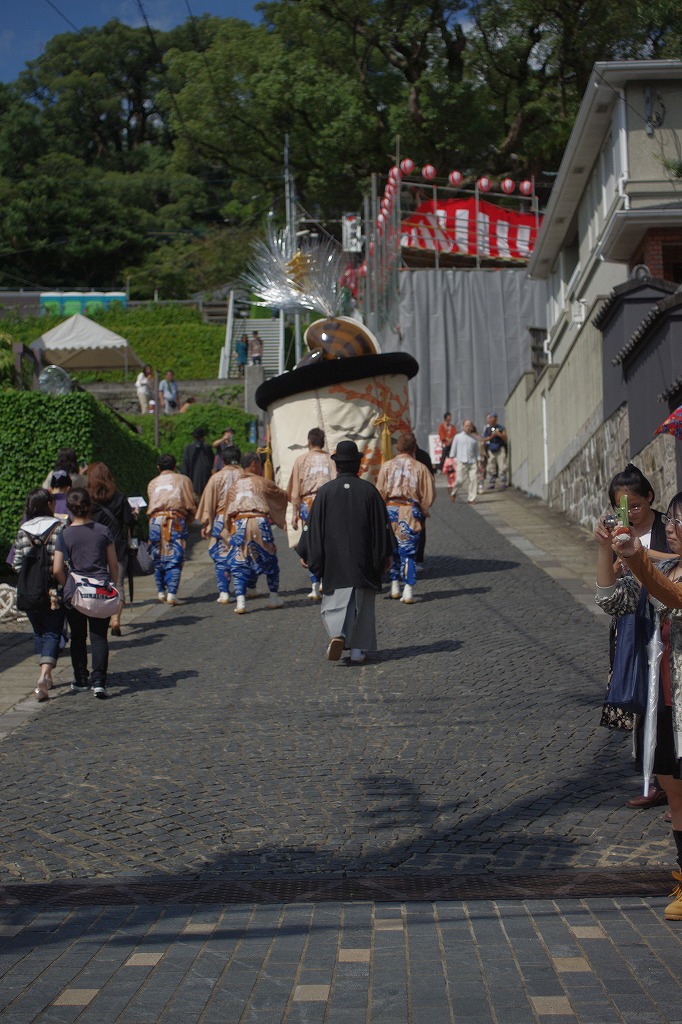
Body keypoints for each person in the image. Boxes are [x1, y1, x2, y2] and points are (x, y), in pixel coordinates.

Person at [595, 492, 682, 920]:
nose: (672, 525)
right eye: (674, 518)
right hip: (663, 696)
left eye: (680, 520)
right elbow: (612, 600)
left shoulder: (662, 571)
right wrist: (604, 549)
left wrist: (636, 558)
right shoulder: (661, 563)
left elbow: (674, 595)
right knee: (673, 788)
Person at [301, 439, 395, 664]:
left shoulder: (325, 492)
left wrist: (308, 552)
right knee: (361, 603)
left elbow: (313, 526)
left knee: (335, 599)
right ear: (358, 465)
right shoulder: (369, 491)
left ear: (337, 466)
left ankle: (337, 633)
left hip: (334, 557)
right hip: (364, 556)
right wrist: (386, 553)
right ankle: (357, 650)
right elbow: (382, 526)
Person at [53, 488, 119, 700]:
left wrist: (68, 585)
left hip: (75, 592)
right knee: (99, 636)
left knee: (78, 637)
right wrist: (114, 584)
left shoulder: (64, 534)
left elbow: (56, 568)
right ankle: (99, 681)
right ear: (90, 505)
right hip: (100, 589)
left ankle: (81, 679)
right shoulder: (102, 530)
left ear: (70, 509)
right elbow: (113, 564)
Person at [12, 488, 66, 701]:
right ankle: (44, 676)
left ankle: (47, 675)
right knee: (53, 632)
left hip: (30, 591)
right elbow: (66, 559)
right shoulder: (60, 527)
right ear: (49, 504)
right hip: (54, 589)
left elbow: (16, 563)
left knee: (38, 633)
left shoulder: (23, 529)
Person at [223, 451, 288, 614]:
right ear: (253, 464)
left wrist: (227, 530)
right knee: (269, 558)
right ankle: (273, 596)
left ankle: (240, 601)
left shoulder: (233, 487)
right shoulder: (262, 482)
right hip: (259, 522)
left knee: (239, 561)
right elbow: (281, 496)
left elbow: (226, 514)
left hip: (239, 523)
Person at [376, 432, 435, 604]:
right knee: (408, 551)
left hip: (390, 510)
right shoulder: (420, 467)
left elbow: (379, 491)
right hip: (410, 510)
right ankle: (408, 589)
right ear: (414, 448)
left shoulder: (386, 467)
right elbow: (429, 494)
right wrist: (422, 510)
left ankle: (394, 585)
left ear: (398, 448)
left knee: (392, 550)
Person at [87, 462, 135, 638]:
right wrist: (134, 514)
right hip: (117, 546)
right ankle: (116, 619)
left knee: (97, 583)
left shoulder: (88, 499)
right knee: (118, 584)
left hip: (95, 546)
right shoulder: (120, 497)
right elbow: (129, 521)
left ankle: (101, 615)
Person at [287, 427, 336, 599]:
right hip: (328, 503)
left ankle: (314, 584)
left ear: (309, 442)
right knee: (328, 541)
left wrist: (294, 513)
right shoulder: (331, 459)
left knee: (311, 542)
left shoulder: (301, 460)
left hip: (308, 504)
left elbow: (295, 491)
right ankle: (325, 579)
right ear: (323, 442)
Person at [196, 444, 244, 603]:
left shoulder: (216, 478)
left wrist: (206, 524)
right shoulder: (246, 475)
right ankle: (244, 590)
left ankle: (224, 591)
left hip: (221, 520)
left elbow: (208, 502)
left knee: (221, 557)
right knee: (243, 555)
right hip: (243, 519)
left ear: (223, 461)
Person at [147, 454, 197, 604]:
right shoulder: (183, 479)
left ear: (158, 468)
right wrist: (188, 520)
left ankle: (160, 590)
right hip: (174, 519)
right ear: (175, 467)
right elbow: (189, 503)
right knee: (175, 557)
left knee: (157, 556)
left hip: (155, 520)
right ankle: (172, 592)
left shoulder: (152, 483)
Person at [449, 420, 481, 504]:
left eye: (470, 426)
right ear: (463, 426)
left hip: (472, 462)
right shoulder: (458, 437)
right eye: (466, 425)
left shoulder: (474, 438)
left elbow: (477, 451)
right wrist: (452, 460)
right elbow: (453, 449)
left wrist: (479, 461)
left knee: (474, 480)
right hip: (461, 461)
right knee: (460, 480)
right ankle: (454, 492)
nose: (468, 427)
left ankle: (471, 498)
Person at [180, 427, 214, 500]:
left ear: (194, 437)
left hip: (192, 483)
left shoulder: (188, 448)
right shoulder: (207, 448)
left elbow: (185, 466)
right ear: (203, 437)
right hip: (206, 481)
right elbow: (212, 462)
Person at [482, 413, 508, 490]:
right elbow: (484, 439)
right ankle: (492, 482)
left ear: (496, 419)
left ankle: (503, 482)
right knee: (491, 466)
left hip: (500, 448)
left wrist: (499, 434)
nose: (490, 420)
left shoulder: (501, 427)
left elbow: (505, 437)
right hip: (491, 448)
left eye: (492, 418)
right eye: (489, 418)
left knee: (502, 465)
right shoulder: (488, 429)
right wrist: (491, 436)